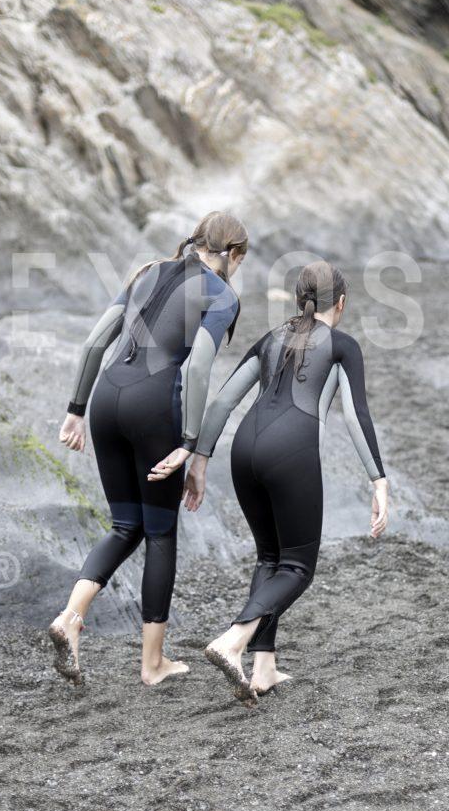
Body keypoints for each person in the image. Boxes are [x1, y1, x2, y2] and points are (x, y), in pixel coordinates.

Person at [151, 259, 390, 705]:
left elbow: (222, 401)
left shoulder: (270, 339)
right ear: (340, 303)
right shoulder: (342, 346)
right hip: (291, 453)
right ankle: (233, 641)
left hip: (245, 450)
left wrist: (200, 459)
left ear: (300, 298)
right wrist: (378, 480)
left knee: (270, 558)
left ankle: (263, 667)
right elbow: (357, 416)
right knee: (298, 568)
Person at [49, 212, 247, 686]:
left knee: (124, 525)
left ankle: (71, 618)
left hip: (106, 401)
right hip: (153, 408)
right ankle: (152, 663)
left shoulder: (146, 272)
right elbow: (198, 367)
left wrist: (75, 409)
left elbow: (97, 341)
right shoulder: (222, 295)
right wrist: (190, 445)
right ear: (234, 253)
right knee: (159, 532)